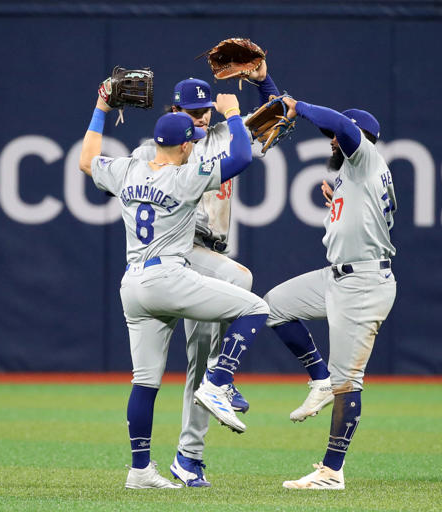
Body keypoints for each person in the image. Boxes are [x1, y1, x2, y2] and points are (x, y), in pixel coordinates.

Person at [78, 87, 269, 489]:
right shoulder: (181, 175)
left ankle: (142, 470)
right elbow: (241, 157)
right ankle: (220, 379)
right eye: (192, 128)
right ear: (183, 142)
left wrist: (100, 107)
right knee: (253, 303)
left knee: (145, 382)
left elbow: (85, 160)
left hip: (133, 282)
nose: (198, 129)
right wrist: (233, 112)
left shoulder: (130, 168)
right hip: (172, 271)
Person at [130, 63, 281, 487]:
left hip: (210, 253)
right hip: (178, 251)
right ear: (174, 109)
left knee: (198, 369)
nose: (201, 118)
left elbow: (278, 116)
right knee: (241, 281)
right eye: (192, 111)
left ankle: (188, 457)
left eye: (206, 110)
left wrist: (261, 80)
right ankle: (223, 379)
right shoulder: (153, 149)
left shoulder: (226, 136)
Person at [262, 98, 397, 490]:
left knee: (349, 382)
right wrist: (266, 87)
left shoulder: (367, 157)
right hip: (336, 276)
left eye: (336, 139)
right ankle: (318, 377)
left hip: (364, 283)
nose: (331, 144)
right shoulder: (354, 175)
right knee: (271, 306)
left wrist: (296, 104)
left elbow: (341, 126)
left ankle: (331, 471)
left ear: (357, 140)